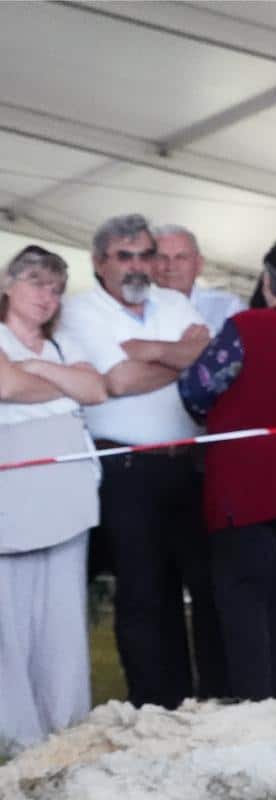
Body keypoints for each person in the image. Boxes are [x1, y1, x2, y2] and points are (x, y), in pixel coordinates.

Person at [56, 213, 228, 709]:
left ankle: (217, 699)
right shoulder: (77, 311)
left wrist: (149, 351)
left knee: (205, 585)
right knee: (144, 590)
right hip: (125, 468)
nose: (137, 266)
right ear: (98, 262)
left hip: (190, 463)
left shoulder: (173, 300)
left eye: (144, 254)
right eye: (123, 256)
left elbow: (209, 355)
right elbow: (116, 382)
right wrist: (182, 355)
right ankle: (157, 703)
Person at [176, 238, 276, 702]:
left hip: (245, 491)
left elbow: (196, 393)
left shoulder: (245, 327)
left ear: (266, 279)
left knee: (244, 605)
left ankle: (253, 710)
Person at [0, 246, 107, 751]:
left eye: (56, 288)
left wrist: (40, 377)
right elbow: (7, 383)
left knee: (63, 611)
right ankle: (13, 729)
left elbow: (96, 389)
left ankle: (64, 720)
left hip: (66, 487)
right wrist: (60, 385)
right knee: (9, 614)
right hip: (12, 483)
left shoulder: (64, 342)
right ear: (9, 284)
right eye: (38, 284)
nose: (48, 297)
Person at [151, 225, 245, 333]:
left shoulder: (228, 308)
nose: (171, 266)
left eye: (181, 257)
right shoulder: (133, 308)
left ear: (199, 265)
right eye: (161, 258)